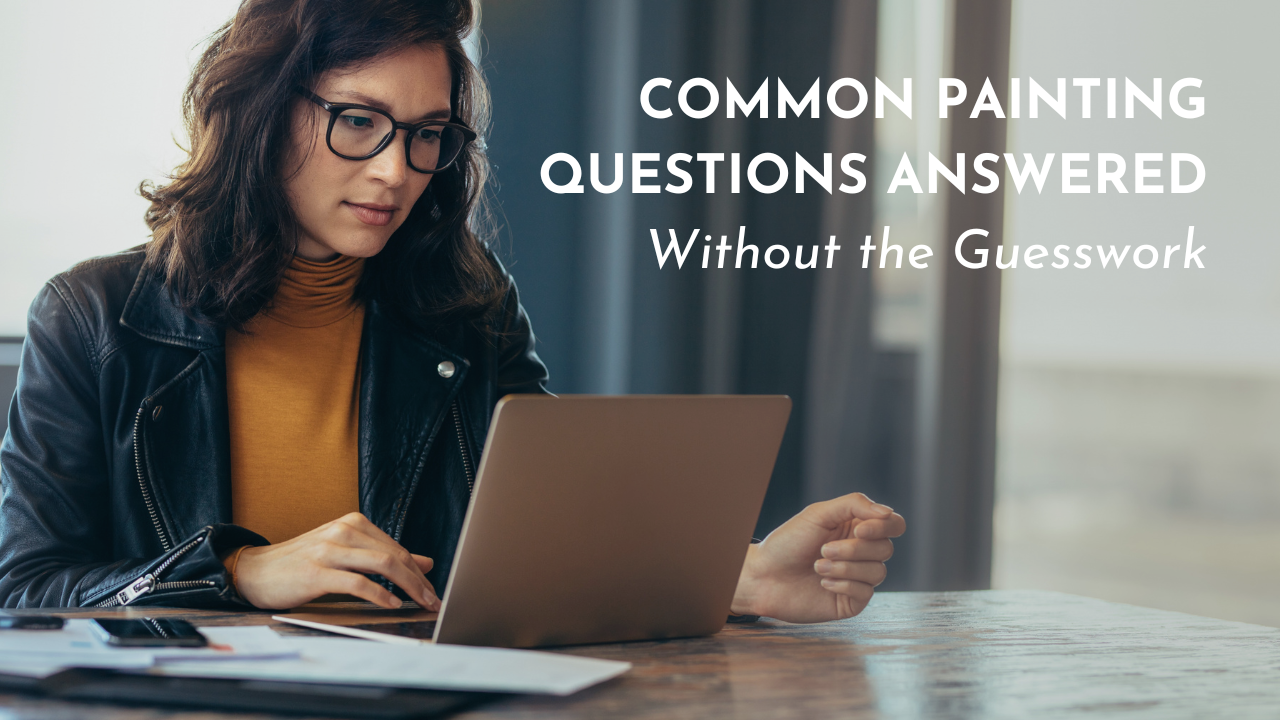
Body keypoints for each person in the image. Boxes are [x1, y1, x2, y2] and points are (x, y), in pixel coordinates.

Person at [0, 0, 904, 621]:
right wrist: (236, 572)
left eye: (427, 133)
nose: (396, 170)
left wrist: (738, 575)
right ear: (261, 113)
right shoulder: (94, 317)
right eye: (359, 121)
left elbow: (547, 543)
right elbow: (25, 590)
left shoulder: (464, 305)